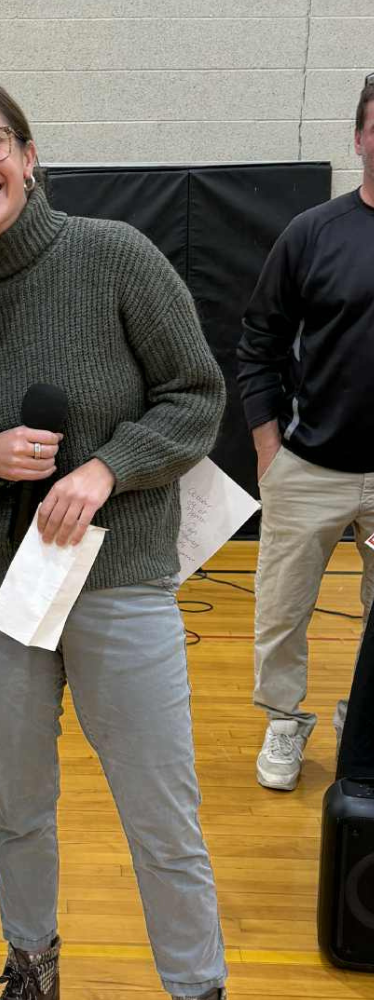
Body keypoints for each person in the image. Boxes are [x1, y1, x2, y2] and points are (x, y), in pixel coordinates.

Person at [0, 74, 228, 1000]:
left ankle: (196, 986)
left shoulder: (115, 256)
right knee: (17, 810)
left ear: (29, 152)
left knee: (160, 815)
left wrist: (105, 468)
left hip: (119, 576)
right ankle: (32, 967)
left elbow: (197, 396)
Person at [238, 72, 374, 792]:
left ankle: (368, 716)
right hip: (310, 466)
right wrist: (269, 449)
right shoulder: (312, 233)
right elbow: (258, 341)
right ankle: (285, 720)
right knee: (283, 612)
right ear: (359, 137)